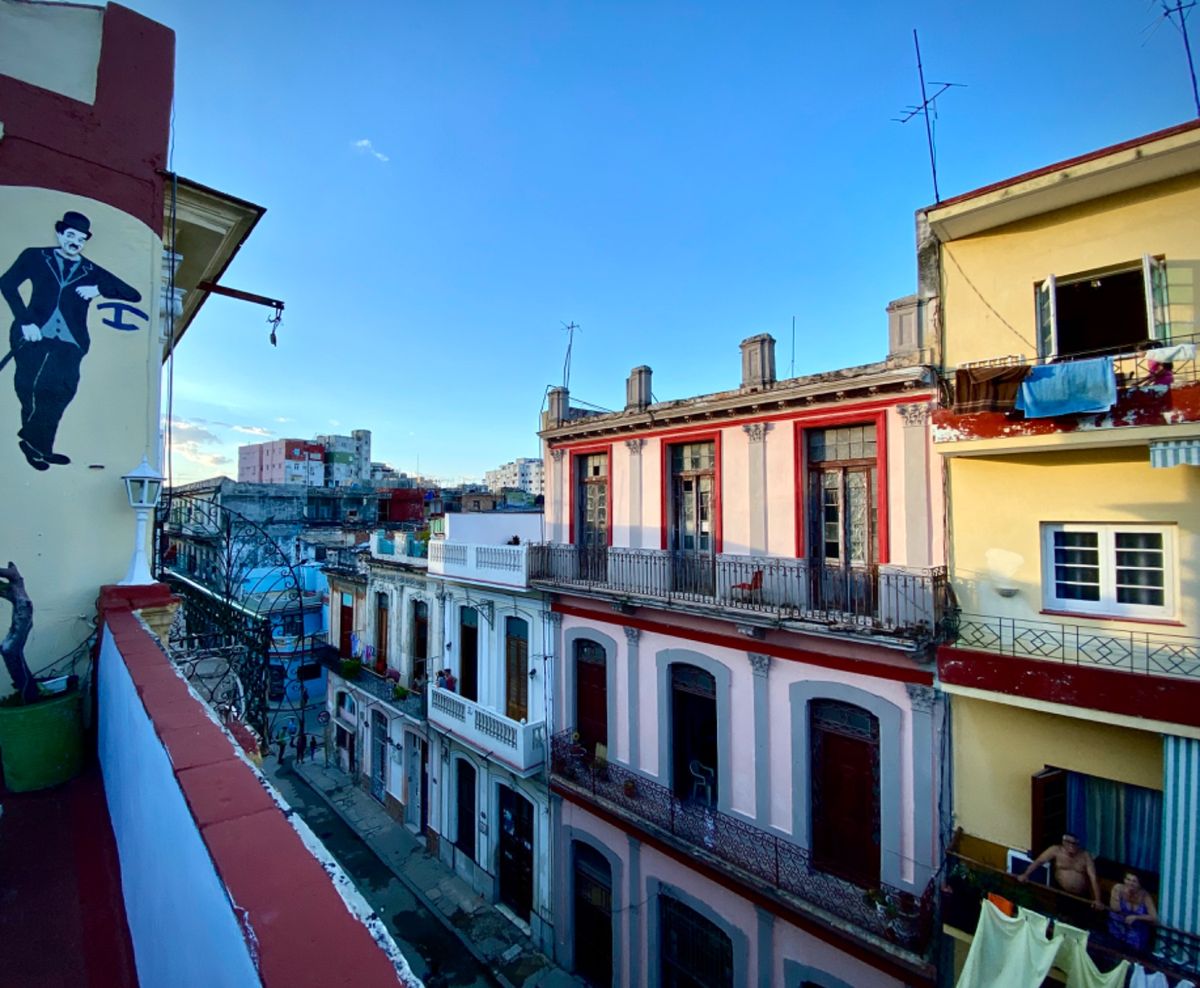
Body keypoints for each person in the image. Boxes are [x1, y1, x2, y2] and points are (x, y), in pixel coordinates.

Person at [0, 211, 144, 470]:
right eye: (70, 235)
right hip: (32, 334)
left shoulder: (91, 271)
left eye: (80, 238)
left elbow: (133, 294)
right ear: (60, 233)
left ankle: (34, 444)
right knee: (29, 387)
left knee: (61, 392)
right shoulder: (36, 256)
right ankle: (39, 448)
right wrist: (25, 321)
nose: (74, 242)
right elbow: (7, 284)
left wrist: (99, 289)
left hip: (70, 342)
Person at [1018, 832, 1104, 909]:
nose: (1072, 846)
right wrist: (1025, 874)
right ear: (1063, 842)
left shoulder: (1085, 856)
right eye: (1069, 842)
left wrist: (1097, 900)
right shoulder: (1055, 850)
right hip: (1061, 892)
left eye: (1074, 843)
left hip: (1081, 896)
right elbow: (1039, 861)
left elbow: (1093, 878)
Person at [1107, 871, 1157, 952]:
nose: (1130, 883)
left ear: (1139, 884)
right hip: (1117, 927)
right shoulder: (1118, 888)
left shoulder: (1145, 896)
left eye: (1134, 881)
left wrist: (1136, 917)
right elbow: (1115, 908)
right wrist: (1120, 894)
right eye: (1128, 879)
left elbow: (1154, 917)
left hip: (1136, 934)